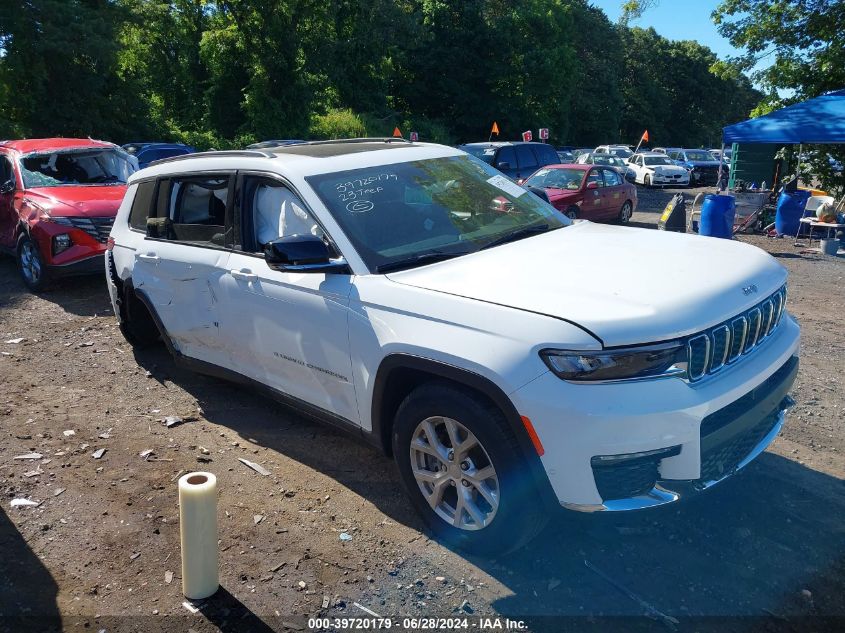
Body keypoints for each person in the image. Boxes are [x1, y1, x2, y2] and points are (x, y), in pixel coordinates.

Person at [254, 184, 321, 248]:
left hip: (285, 245)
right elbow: (314, 226)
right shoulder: (285, 196)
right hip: (293, 248)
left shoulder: (257, 194)